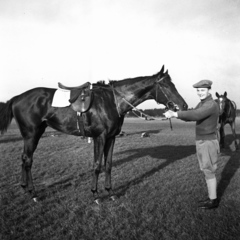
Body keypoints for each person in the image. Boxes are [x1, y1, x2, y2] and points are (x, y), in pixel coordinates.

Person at [164, 79, 220, 209]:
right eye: (198, 91)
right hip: (201, 140)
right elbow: (190, 115)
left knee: (209, 170)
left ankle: (213, 201)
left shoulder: (210, 104)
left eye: (202, 90)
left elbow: (195, 115)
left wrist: (175, 114)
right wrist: (176, 112)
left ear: (208, 90)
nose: (200, 93)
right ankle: (211, 198)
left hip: (208, 142)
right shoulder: (202, 103)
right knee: (206, 169)